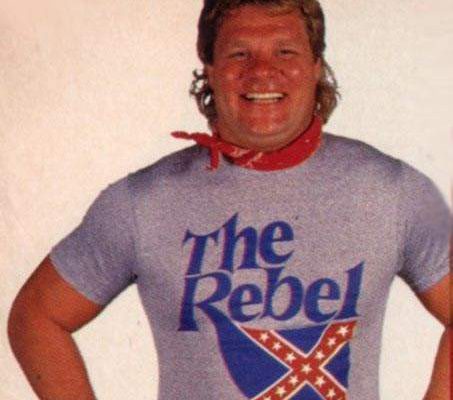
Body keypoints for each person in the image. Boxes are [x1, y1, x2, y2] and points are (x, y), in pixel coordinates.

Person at [8, 1, 451, 399]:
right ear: (210, 69)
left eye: (285, 52)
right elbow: (36, 317)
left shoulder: (394, 191)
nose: (262, 72)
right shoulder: (143, 203)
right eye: (240, 54)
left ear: (316, 66)